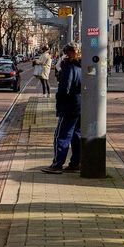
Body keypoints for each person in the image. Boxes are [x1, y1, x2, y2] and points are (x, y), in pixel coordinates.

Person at [42, 42, 82, 173]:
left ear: (69, 53)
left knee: (62, 135)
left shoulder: (69, 67)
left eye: (65, 53)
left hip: (69, 106)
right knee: (76, 135)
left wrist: (60, 100)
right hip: (79, 105)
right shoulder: (81, 66)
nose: (64, 56)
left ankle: (57, 164)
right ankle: (76, 163)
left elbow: (65, 88)